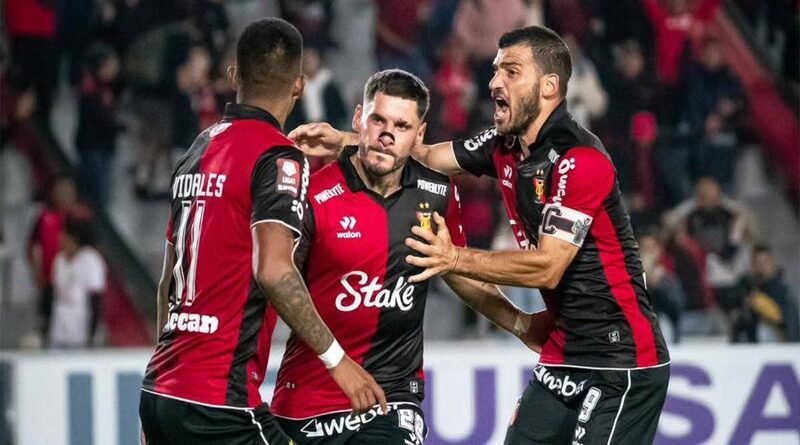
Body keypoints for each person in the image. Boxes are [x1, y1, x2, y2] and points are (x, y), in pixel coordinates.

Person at [290, 25, 670, 445]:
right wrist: (350, 141)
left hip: (621, 359)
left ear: (548, 87)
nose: (493, 83)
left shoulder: (579, 159)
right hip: (563, 350)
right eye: (495, 70)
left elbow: (547, 266)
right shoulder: (503, 144)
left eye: (511, 72)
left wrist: (453, 257)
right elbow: (425, 153)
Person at [138, 18, 386, 445]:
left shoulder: (196, 151)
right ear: (299, 84)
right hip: (221, 404)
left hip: (161, 390)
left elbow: (167, 283)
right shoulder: (278, 157)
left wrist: (165, 393)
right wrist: (338, 361)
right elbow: (274, 270)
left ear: (234, 75)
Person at [271, 69, 548, 444]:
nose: (387, 134)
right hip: (306, 401)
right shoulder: (313, 195)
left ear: (419, 135)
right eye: (378, 120)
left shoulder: (436, 193)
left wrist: (519, 323)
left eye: (401, 126)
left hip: (391, 399)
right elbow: (277, 282)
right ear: (359, 119)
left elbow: (454, 269)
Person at [49, 218, 106, 348]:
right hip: (59, 332)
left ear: (75, 240)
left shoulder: (90, 260)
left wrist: (91, 334)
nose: (62, 242)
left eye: (66, 239)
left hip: (81, 334)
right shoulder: (59, 261)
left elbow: (95, 298)